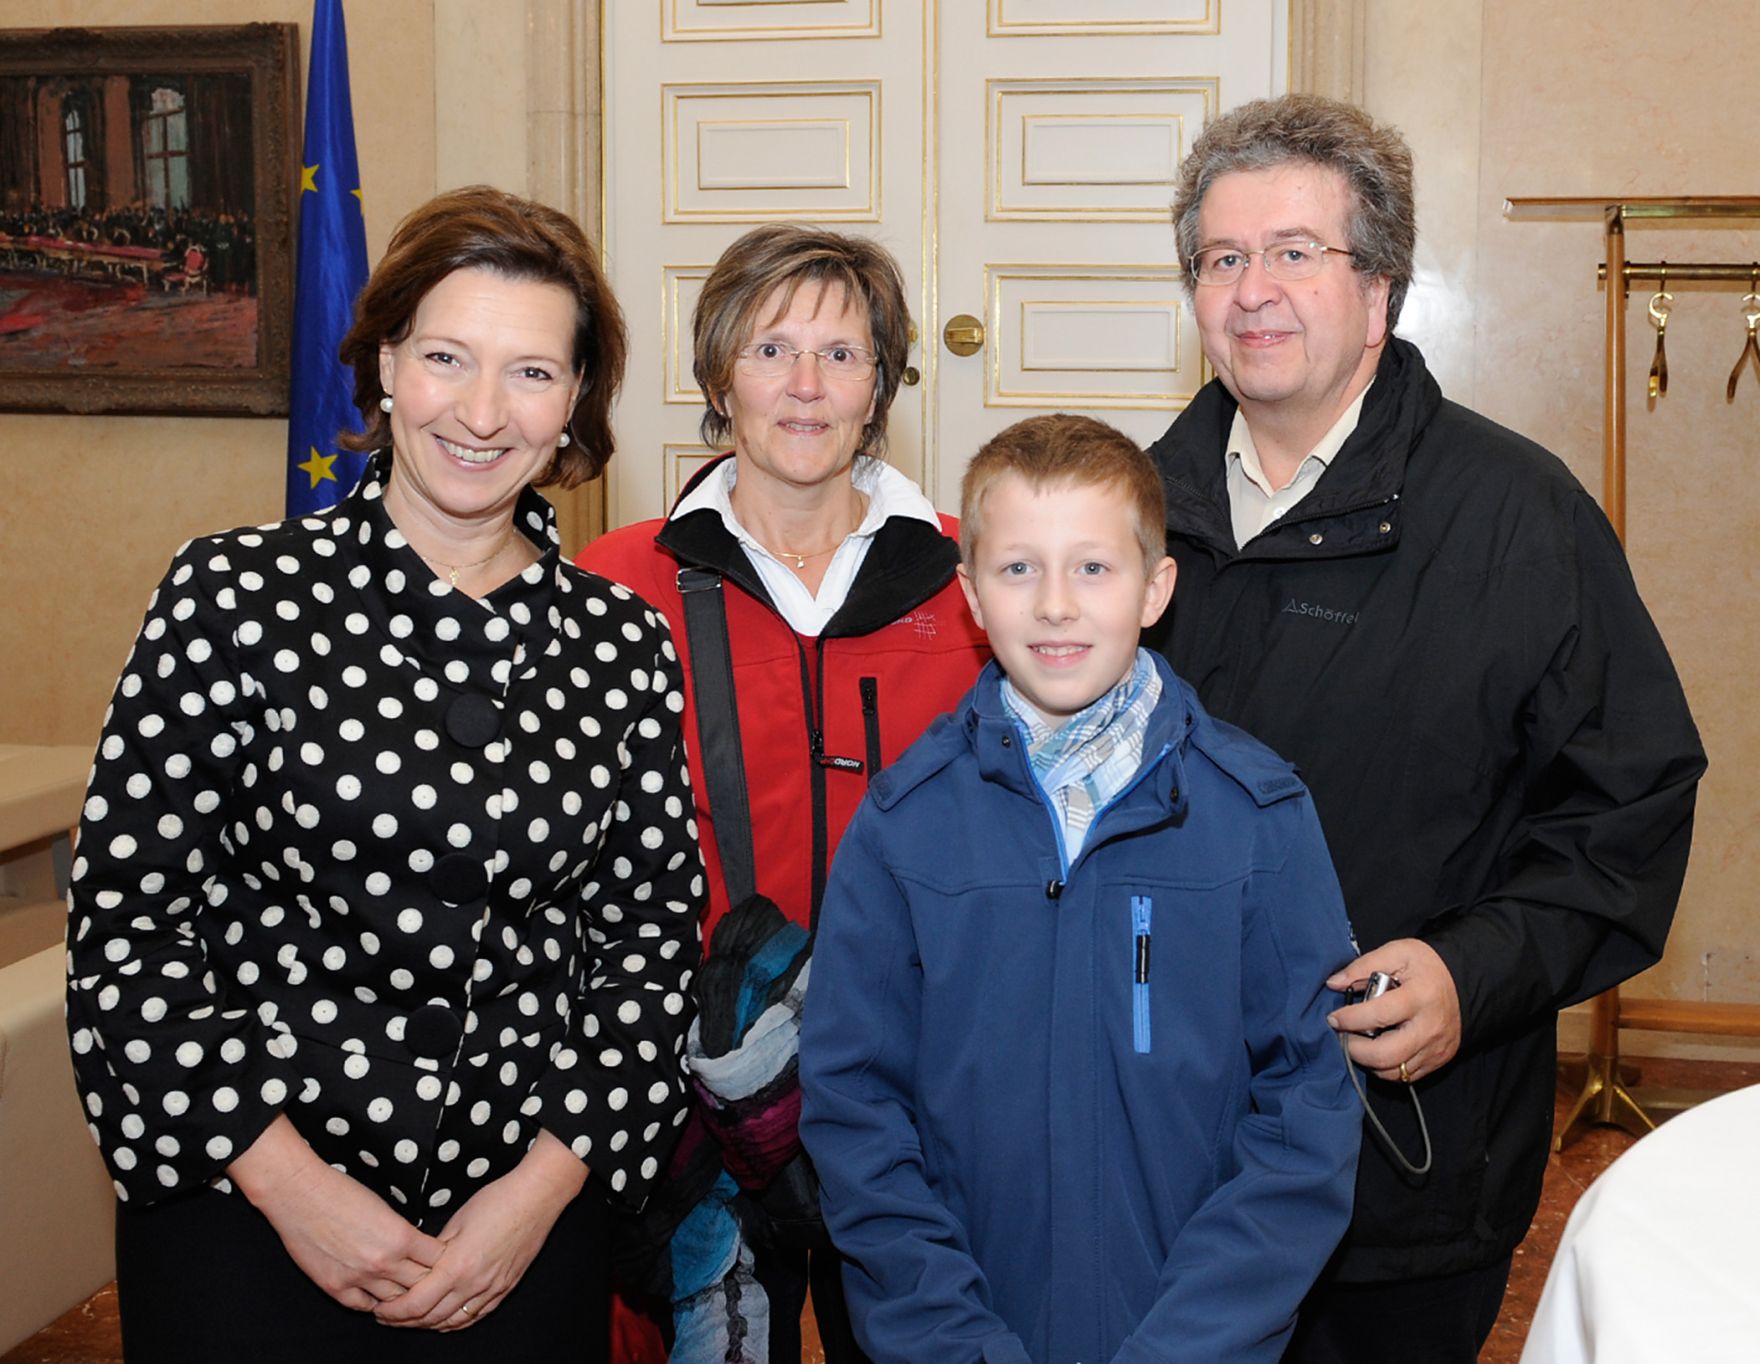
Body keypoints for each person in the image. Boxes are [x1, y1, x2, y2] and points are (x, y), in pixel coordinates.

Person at [65, 185, 704, 1362]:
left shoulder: (622, 639)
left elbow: (649, 942)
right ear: (384, 366)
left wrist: (535, 1196)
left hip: (519, 1232)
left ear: (574, 405)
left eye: (529, 372)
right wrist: (295, 1189)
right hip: (243, 1208)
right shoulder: (231, 596)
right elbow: (128, 930)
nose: (479, 410)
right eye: (446, 356)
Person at [1143, 95, 1707, 1363]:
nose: (1252, 290)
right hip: (1162, 1150)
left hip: (1400, 1170)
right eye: (1221, 258)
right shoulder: (1130, 513)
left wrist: (1476, 966)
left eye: (1295, 250)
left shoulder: (1516, 516)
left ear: (1379, 287)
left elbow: (1630, 804)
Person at [798, 413, 1363, 1364]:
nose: (1056, 605)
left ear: (1156, 588)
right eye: (1019, 569)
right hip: (964, 1331)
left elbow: (1308, 1105)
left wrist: (1189, 1345)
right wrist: (953, 1341)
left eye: (1094, 568)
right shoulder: (904, 822)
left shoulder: (1257, 813)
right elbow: (856, 1110)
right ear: (971, 594)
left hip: (1190, 1336)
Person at [578, 223, 989, 1362]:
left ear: (882, 382)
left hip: (917, 1088)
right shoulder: (615, 583)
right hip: (682, 1094)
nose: (805, 386)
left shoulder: (976, 579)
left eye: (842, 354)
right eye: (770, 350)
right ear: (717, 375)